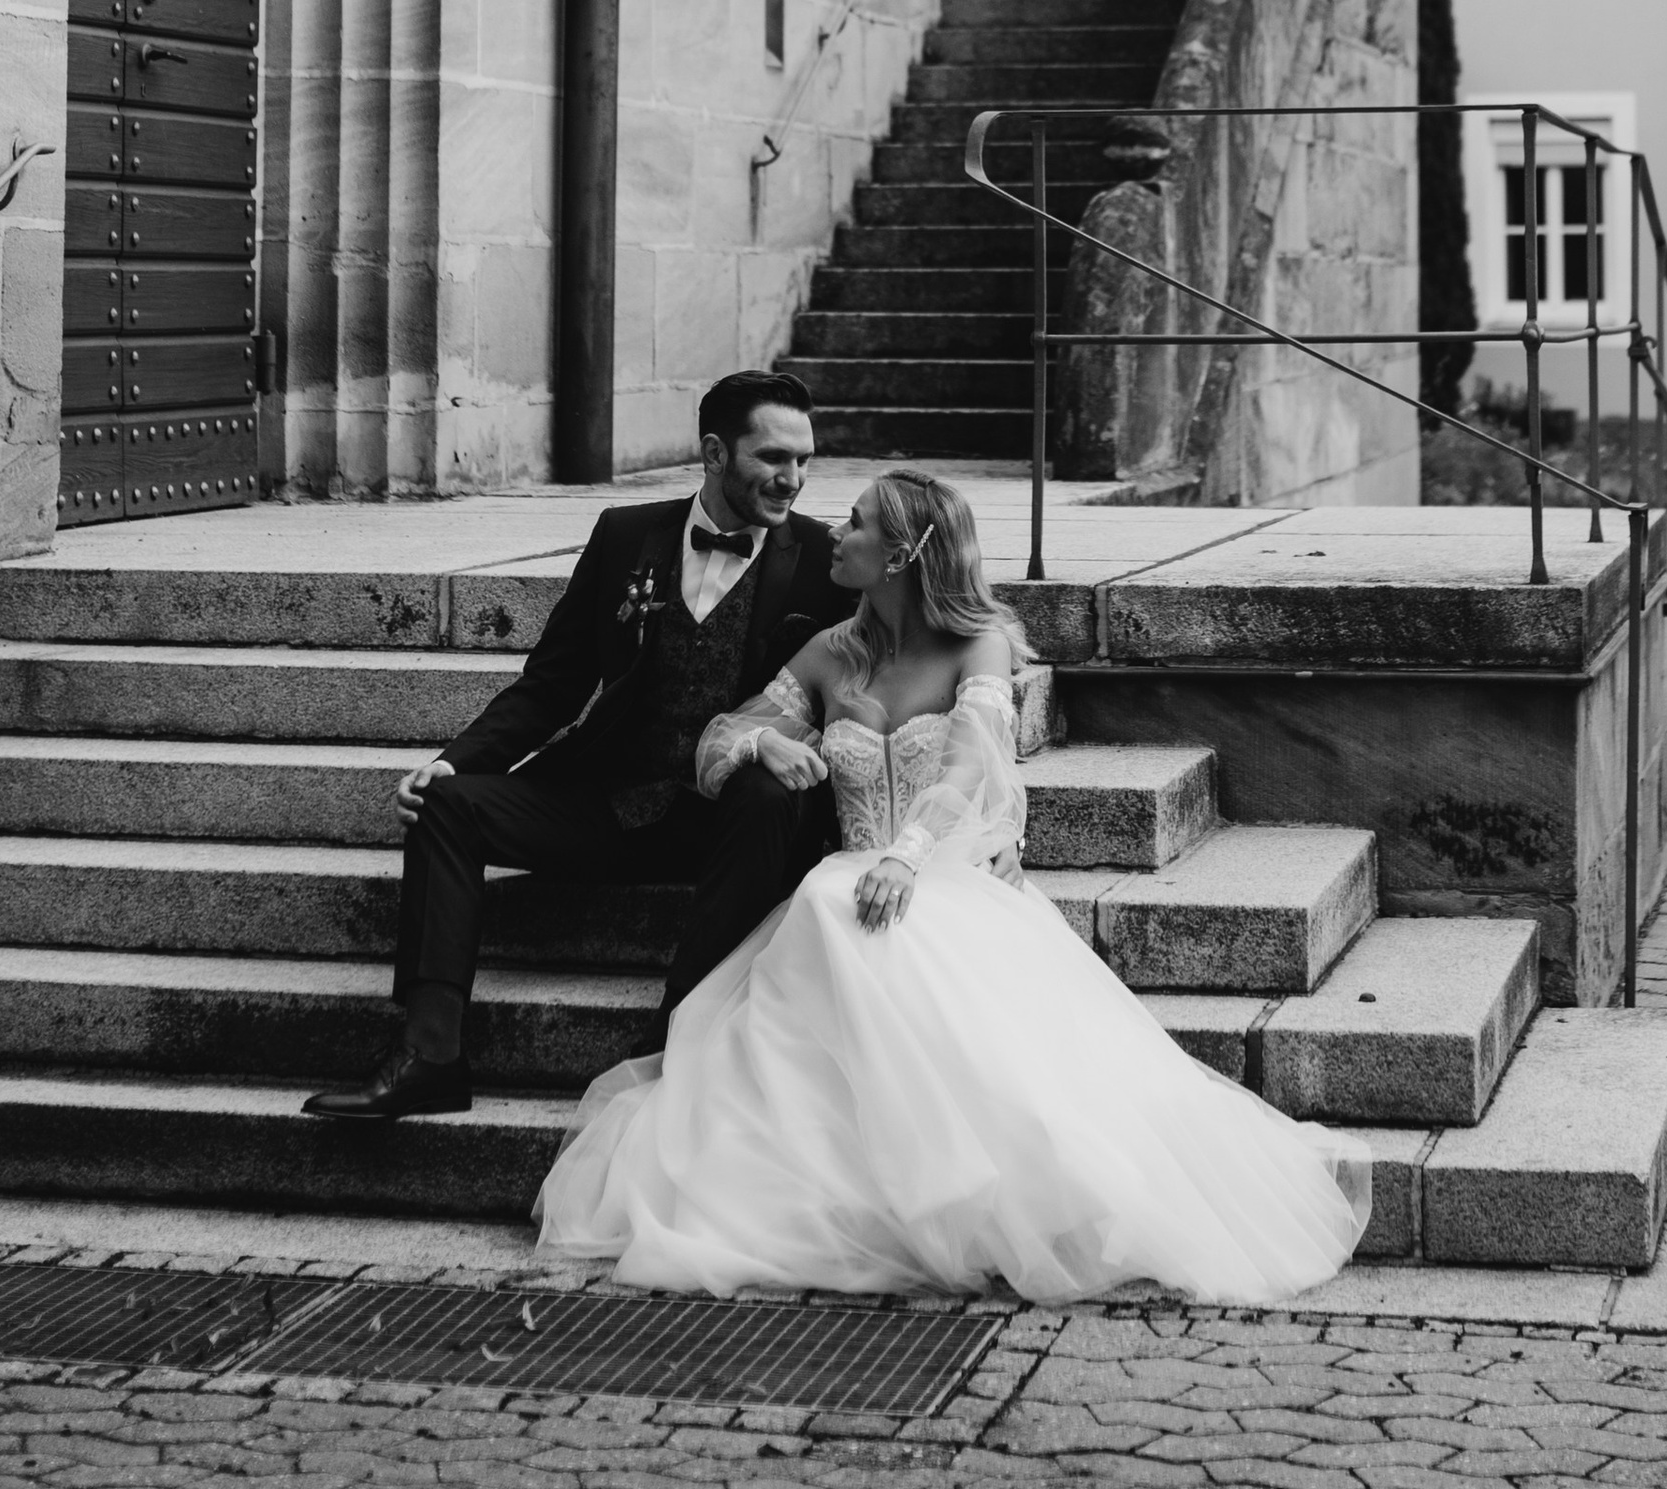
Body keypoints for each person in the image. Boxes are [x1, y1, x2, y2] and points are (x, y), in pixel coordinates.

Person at [534, 468, 1371, 1303]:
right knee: (832, 900)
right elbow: (726, 734)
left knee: (869, 920)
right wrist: (765, 748)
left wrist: (907, 855)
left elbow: (974, 763)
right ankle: (857, 1177)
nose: (837, 535)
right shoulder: (831, 653)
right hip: (852, 876)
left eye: (855, 525)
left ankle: (960, 1182)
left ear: (899, 556)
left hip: (942, 873)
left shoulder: (979, 646)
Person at [304, 374, 837, 1122]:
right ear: (714, 453)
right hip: (611, 803)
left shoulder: (822, 557)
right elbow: (552, 683)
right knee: (446, 806)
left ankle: (676, 1039)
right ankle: (430, 1055)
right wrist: (455, 760)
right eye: (774, 457)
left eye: (805, 460)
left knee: (769, 791)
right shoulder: (626, 535)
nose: (794, 479)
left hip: (731, 829)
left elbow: (896, 655)